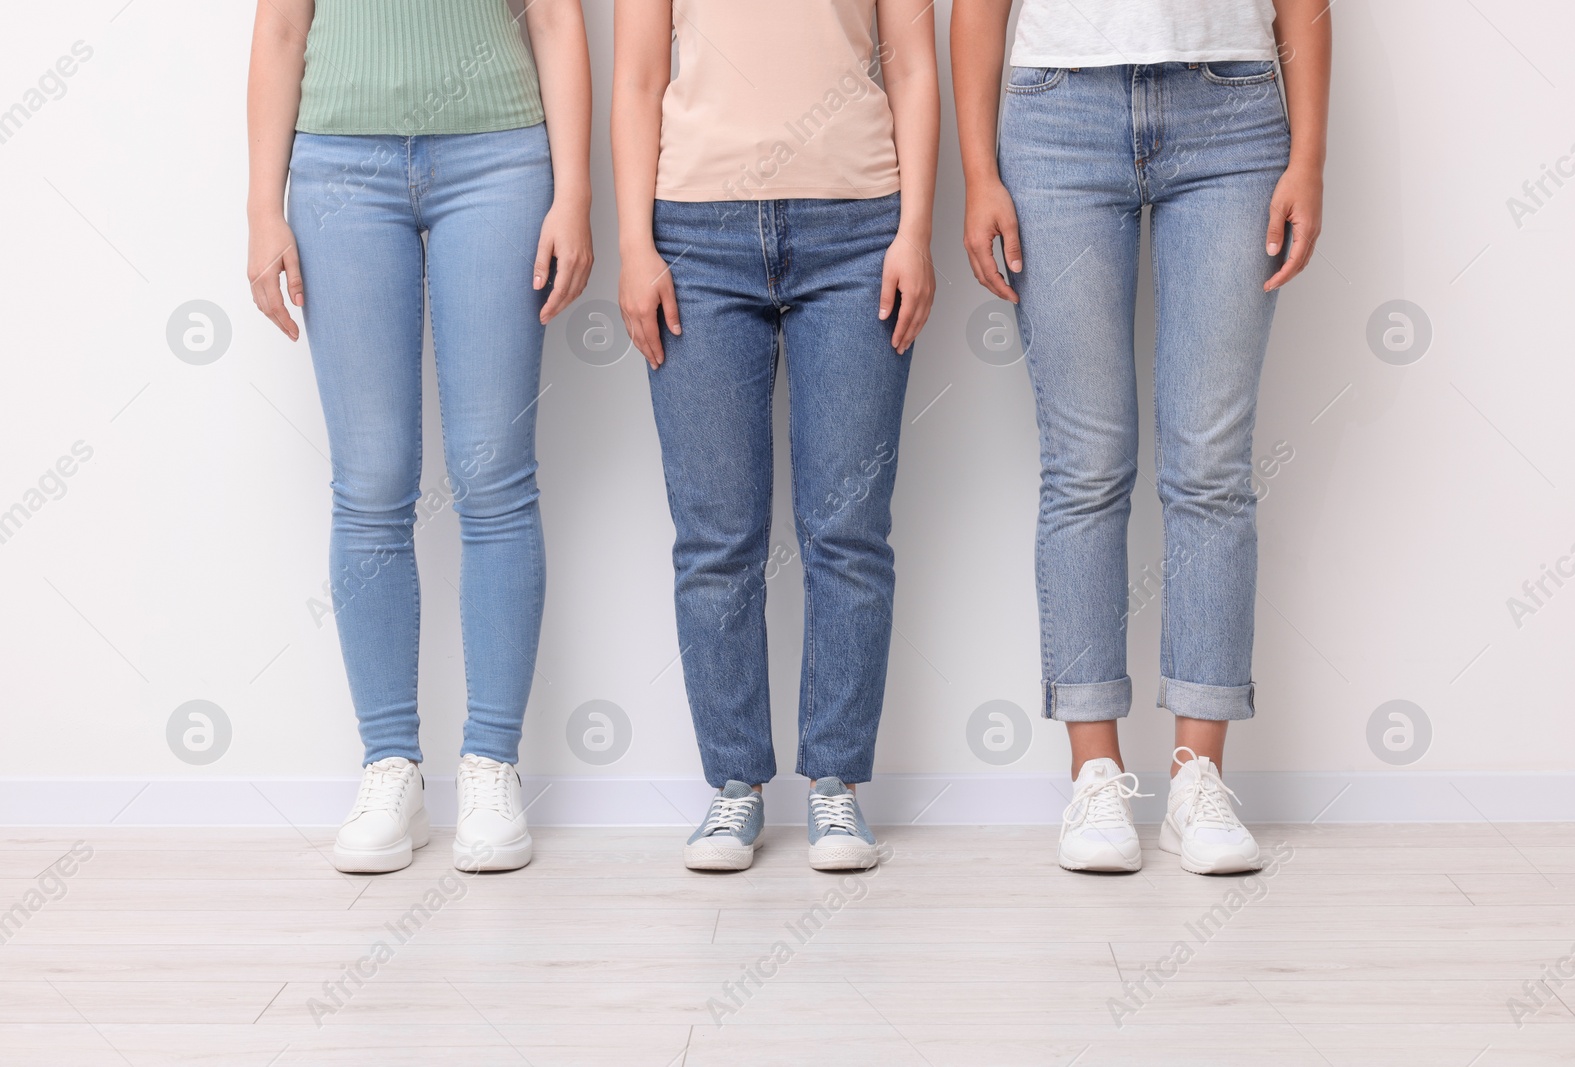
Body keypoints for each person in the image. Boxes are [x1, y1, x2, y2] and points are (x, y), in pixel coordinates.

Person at [952, 0, 1330, 873]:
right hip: (1055, 117)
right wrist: (980, 172)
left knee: (1211, 467)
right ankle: (1095, 774)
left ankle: (1199, 780)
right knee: (1085, 467)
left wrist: (1308, 156)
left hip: (1232, 113)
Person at [245, 0, 593, 874]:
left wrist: (576, 194)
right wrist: (260, 207)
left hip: (503, 160)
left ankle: (491, 765)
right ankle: (390, 765)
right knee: (369, 481)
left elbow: (554, 17)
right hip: (336, 170)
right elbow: (282, 27)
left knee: (495, 475)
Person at [612, 0, 939, 871]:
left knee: (849, 530)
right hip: (694, 231)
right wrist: (635, 246)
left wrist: (914, 232)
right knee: (717, 537)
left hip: (859, 229)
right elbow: (639, 77)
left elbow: (910, 65)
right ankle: (734, 785)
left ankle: (836, 786)